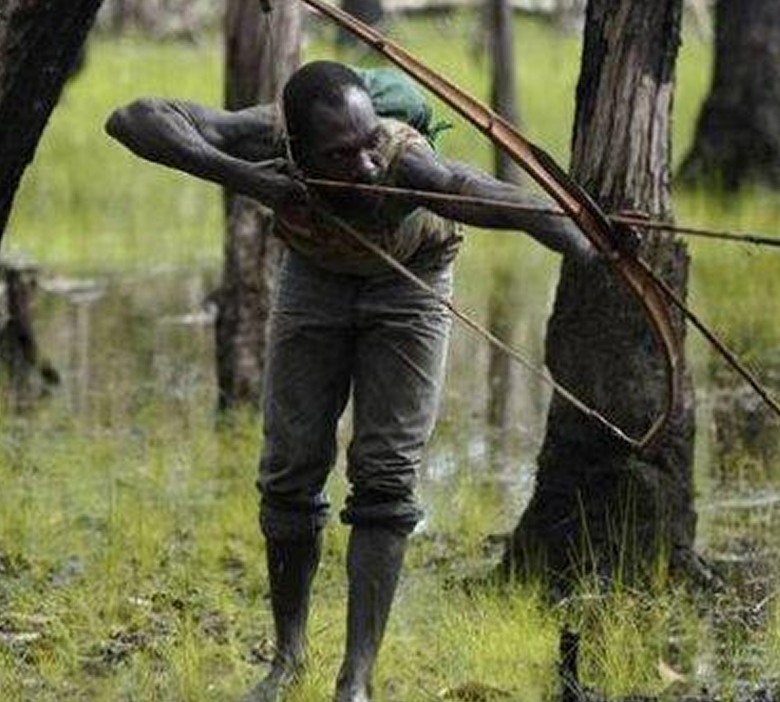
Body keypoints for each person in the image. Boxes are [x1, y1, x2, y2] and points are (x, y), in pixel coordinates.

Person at [105, 60, 599, 702]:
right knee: (289, 471)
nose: (365, 166)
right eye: (340, 154)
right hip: (314, 278)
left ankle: (355, 682)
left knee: (386, 475)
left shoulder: (404, 162)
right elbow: (133, 120)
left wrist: (586, 243)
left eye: (368, 144)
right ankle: (287, 661)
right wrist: (250, 180)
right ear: (297, 149)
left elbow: (481, 191)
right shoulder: (269, 137)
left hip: (410, 283)